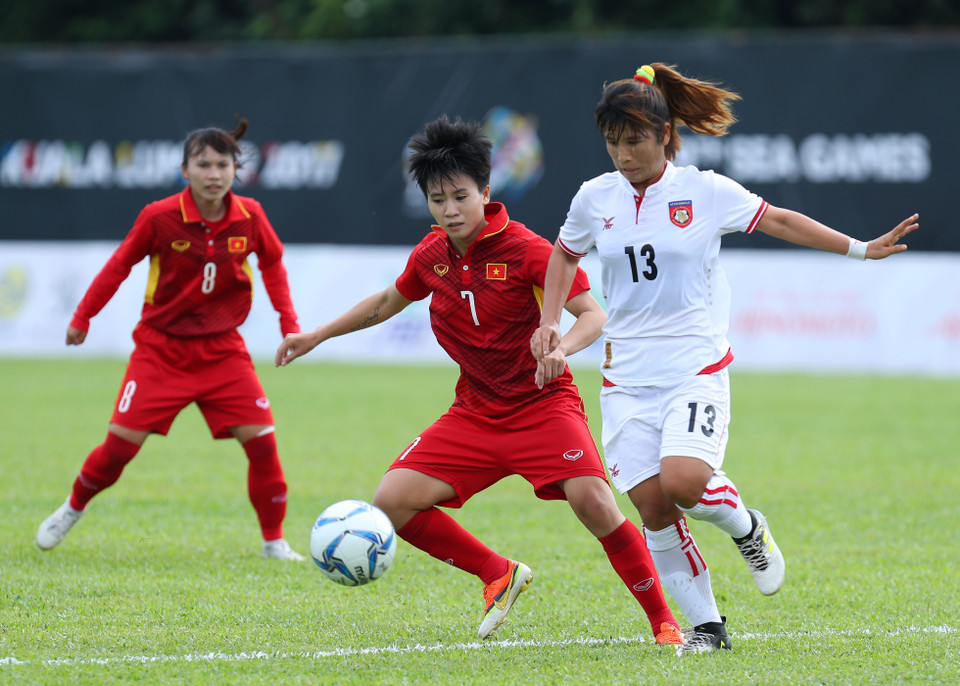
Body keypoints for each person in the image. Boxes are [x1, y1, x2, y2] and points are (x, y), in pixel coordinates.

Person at [531, 63, 919, 653]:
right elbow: (563, 256)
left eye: (634, 140)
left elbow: (781, 221)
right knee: (653, 507)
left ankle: (747, 526)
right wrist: (550, 322)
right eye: (613, 141)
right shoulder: (594, 198)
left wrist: (861, 249)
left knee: (685, 482)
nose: (623, 154)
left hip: (695, 367)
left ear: (665, 136)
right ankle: (708, 628)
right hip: (626, 379)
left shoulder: (705, 191)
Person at [276, 115, 685, 645]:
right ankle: (498, 572)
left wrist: (559, 346)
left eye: (460, 197)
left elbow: (594, 316)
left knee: (595, 502)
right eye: (437, 199)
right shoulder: (430, 255)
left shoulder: (530, 250)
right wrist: (317, 336)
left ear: (486, 192)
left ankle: (664, 622)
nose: (449, 210)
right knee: (393, 501)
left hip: (542, 406)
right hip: (475, 411)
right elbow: (385, 303)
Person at [36, 119, 305, 561]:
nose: (214, 174)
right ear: (185, 170)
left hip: (223, 352)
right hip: (161, 352)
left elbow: (274, 265)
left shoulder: (251, 216)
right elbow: (119, 265)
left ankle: (274, 542)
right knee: (117, 452)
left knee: (262, 444)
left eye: (223, 164)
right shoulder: (159, 216)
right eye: (204, 164)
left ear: (236, 170)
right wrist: (83, 316)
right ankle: (73, 507)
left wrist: (288, 323)